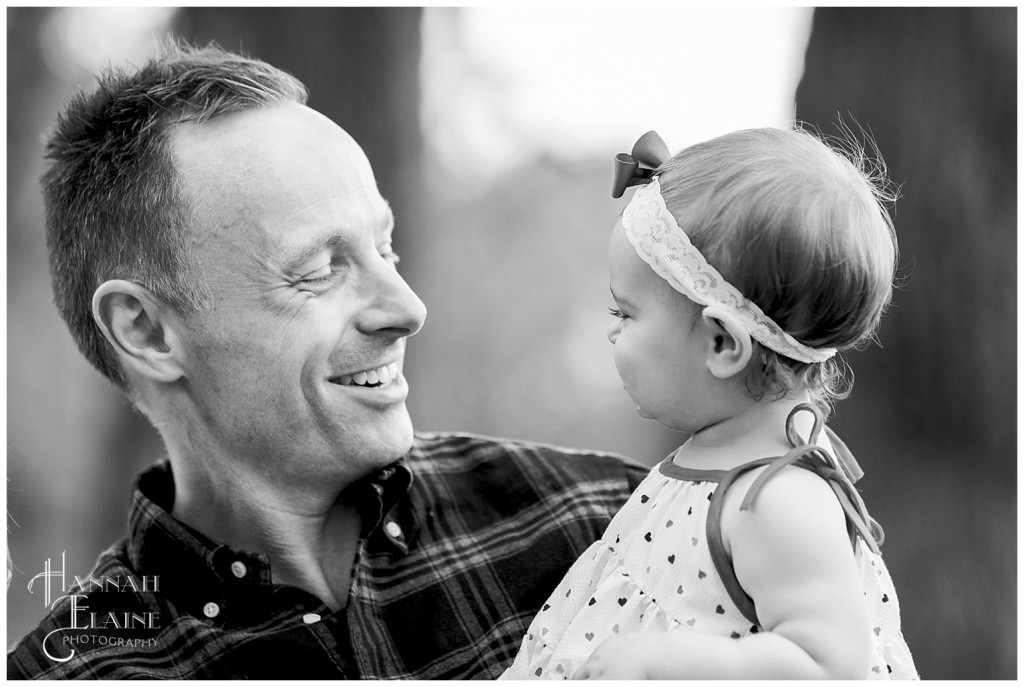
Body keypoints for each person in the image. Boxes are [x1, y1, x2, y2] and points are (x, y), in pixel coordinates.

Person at [6, 40, 647, 679]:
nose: (407, 308)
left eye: (384, 248)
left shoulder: (613, 527)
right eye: (319, 269)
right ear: (146, 331)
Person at [500, 128, 918, 679]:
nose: (610, 332)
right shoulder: (715, 462)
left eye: (624, 313)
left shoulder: (777, 500)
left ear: (722, 343)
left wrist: (668, 663)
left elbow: (828, 666)